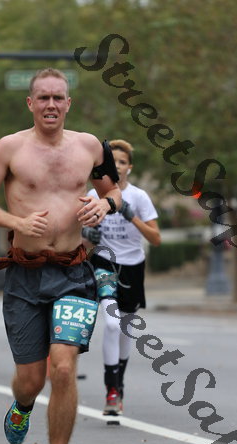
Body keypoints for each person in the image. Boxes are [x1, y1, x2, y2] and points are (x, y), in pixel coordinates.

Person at [0, 68, 122, 444]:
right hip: (25, 277)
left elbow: (114, 190)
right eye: (43, 97)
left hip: (73, 274)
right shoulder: (10, 148)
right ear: (30, 103)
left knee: (64, 369)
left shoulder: (90, 146)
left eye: (58, 97)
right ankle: (22, 405)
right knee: (32, 380)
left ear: (68, 103)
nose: (51, 104)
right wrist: (17, 222)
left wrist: (105, 206)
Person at [82, 139, 161, 416]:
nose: (117, 166)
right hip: (104, 263)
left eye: (122, 162)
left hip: (133, 267)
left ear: (130, 168)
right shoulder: (93, 195)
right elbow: (80, 239)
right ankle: (112, 390)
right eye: (112, 161)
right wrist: (86, 235)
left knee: (126, 329)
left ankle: (119, 385)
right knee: (112, 324)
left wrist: (131, 217)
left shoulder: (139, 197)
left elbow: (156, 238)